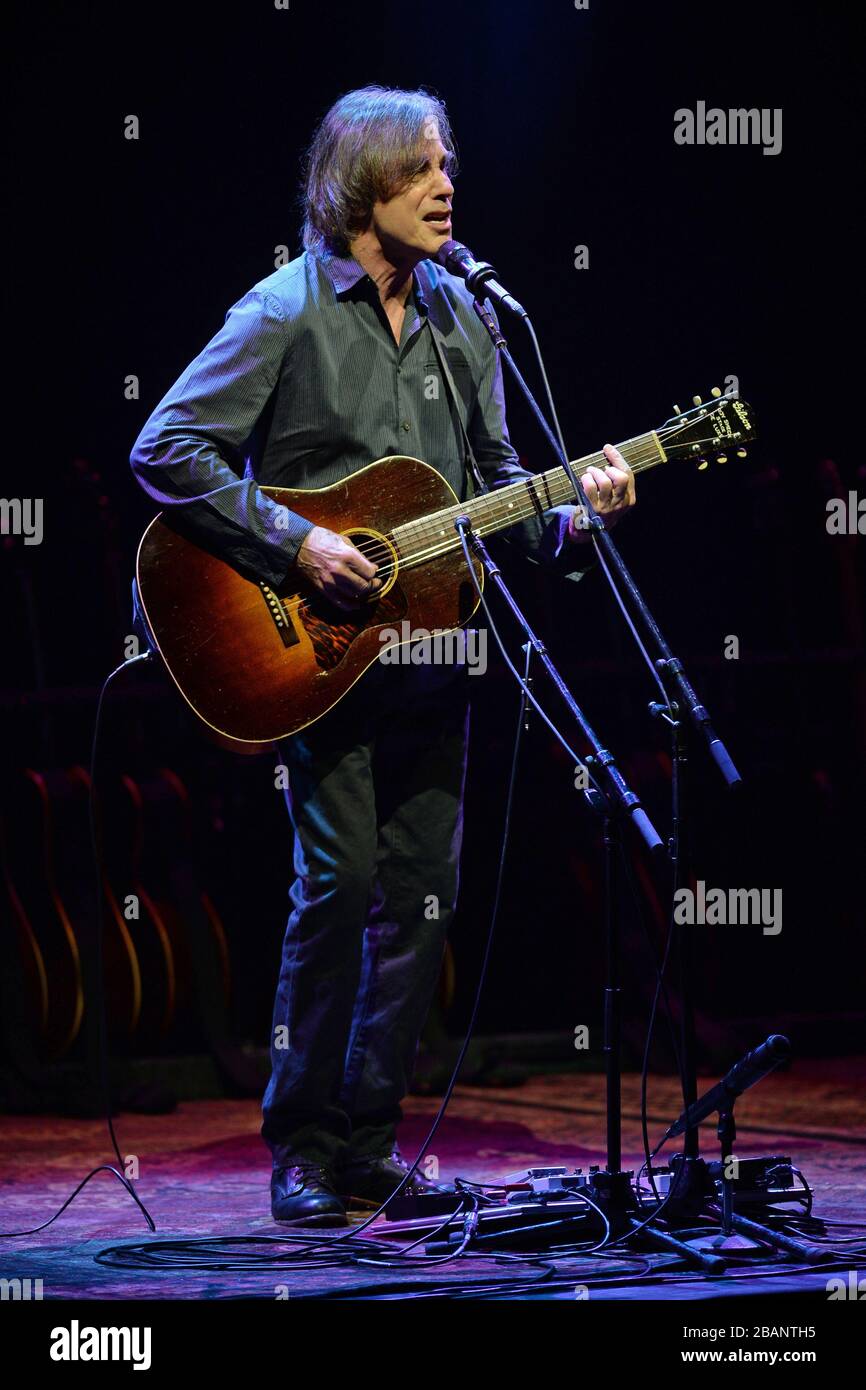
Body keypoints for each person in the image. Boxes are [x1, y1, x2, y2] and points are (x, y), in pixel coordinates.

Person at [130, 85, 636, 1226]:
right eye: (420, 168)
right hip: (313, 651)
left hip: (434, 652)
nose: (446, 185)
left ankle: (366, 1143)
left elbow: (502, 487)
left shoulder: (469, 320)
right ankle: (301, 1146)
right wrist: (300, 540)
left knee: (422, 896)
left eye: (448, 164)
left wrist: (574, 515)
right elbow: (165, 447)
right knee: (339, 885)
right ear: (361, 185)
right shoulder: (284, 309)